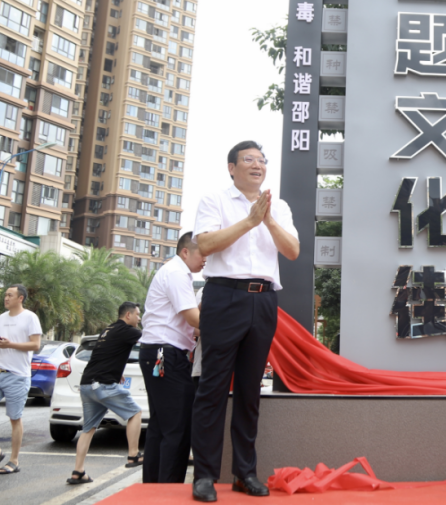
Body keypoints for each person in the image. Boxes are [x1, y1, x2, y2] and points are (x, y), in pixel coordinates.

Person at [191, 141, 299, 503]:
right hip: (225, 297)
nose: (257, 165)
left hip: (264, 300)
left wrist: (266, 220)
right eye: (248, 160)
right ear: (231, 167)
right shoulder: (214, 200)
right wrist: (248, 221)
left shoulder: (278, 206)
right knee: (213, 388)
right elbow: (204, 245)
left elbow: (292, 251)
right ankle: (204, 476)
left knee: (251, 390)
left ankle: (244, 472)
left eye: (262, 161)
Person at [139, 232, 204, 484]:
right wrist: (228, 327)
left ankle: (153, 489)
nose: (206, 259)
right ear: (185, 251)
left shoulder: (175, 272)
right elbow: (193, 319)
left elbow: (192, 327)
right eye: (202, 252)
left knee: (160, 427)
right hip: (166, 355)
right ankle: (168, 491)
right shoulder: (177, 273)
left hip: (157, 352)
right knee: (177, 428)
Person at [67, 302, 145, 486]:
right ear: (128, 315)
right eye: (138, 314)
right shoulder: (129, 331)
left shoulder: (107, 330)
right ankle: (133, 455)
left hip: (87, 385)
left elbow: (107, 354)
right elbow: (152, 338)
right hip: (103, 385)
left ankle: (78, 471)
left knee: (88, 429)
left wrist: (117, 373)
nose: (139, 318)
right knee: (135, 413)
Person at [0, 285, 42, 475]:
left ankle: (14, 460)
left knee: (15, 419)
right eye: (5, 295)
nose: (6, 298)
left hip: (17, 375)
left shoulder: (30, 317)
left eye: (9, 295)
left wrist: (10, 344)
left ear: (20, 298)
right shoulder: (1, 318)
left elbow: (36, 345)